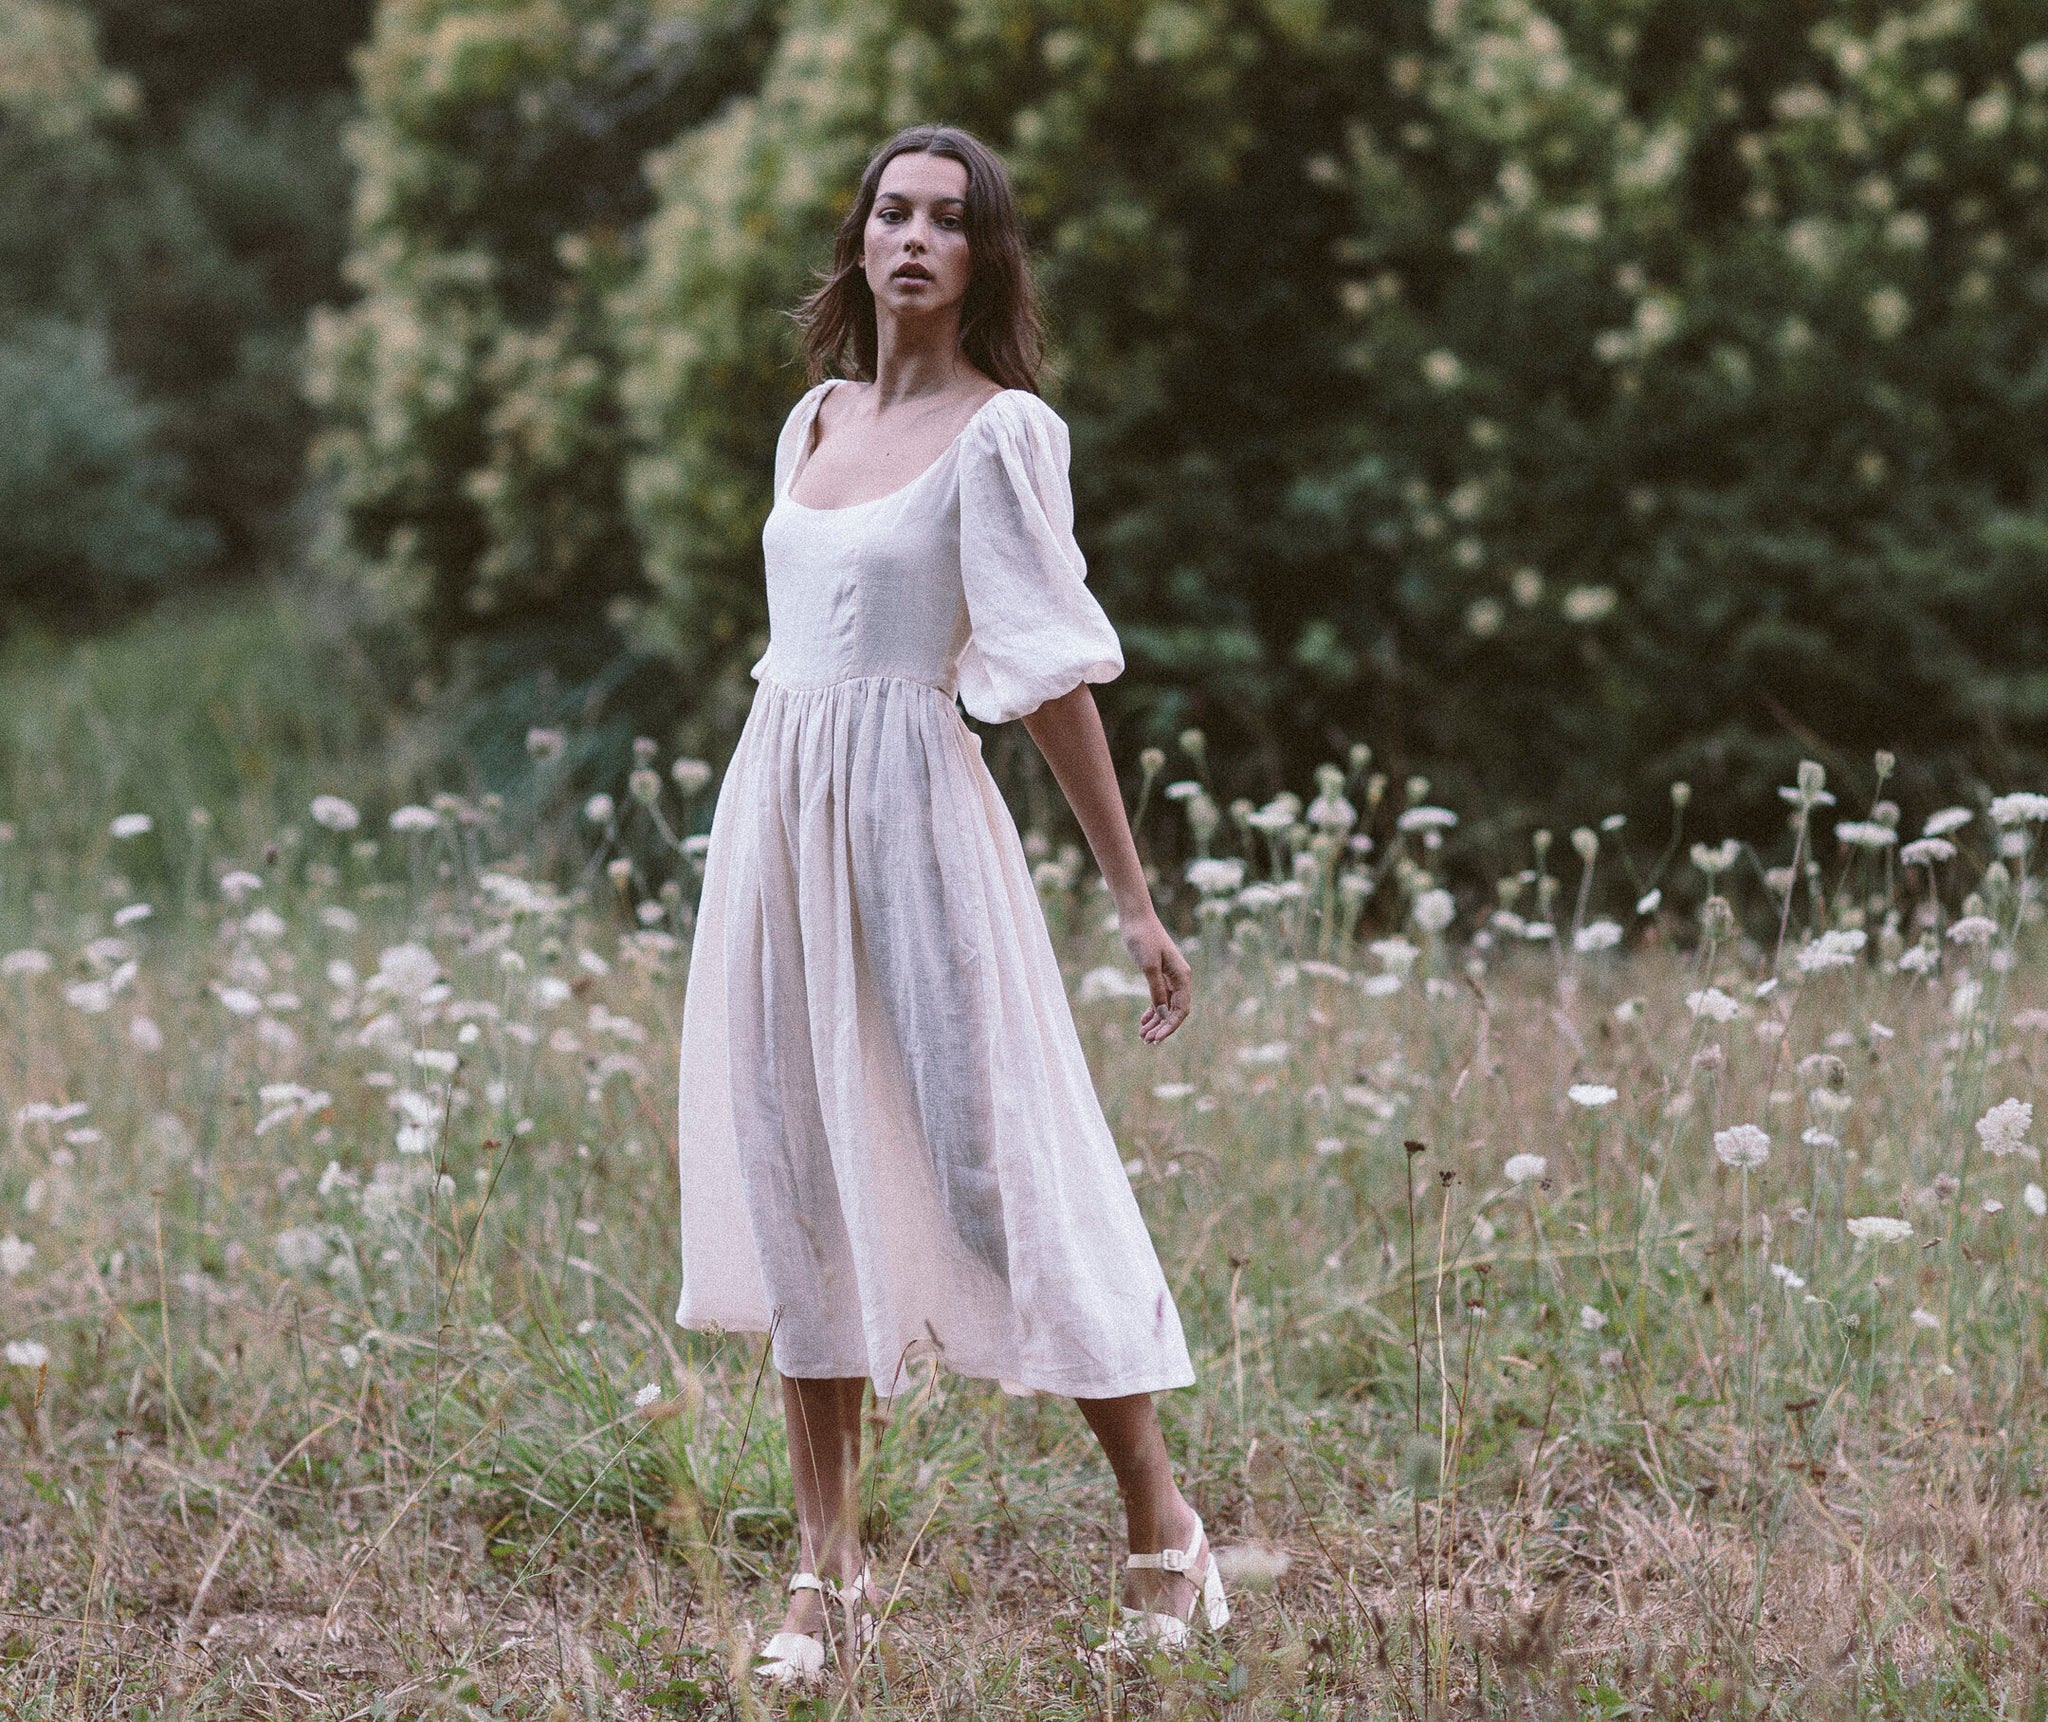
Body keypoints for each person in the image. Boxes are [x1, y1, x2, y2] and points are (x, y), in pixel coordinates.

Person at [671, 122, 1226, 1686]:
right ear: (858, 240)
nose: (914, 238)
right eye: (891, 212)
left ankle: (1162, 1524)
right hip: (780, 813)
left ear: (984, 257)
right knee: (794, 1164)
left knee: (995, 1169)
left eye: (948, 220)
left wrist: (1129, 895)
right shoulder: (812, 423)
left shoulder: (1005, 436)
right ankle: (827, 1569)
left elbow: (1047, 674)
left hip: (919, 812)